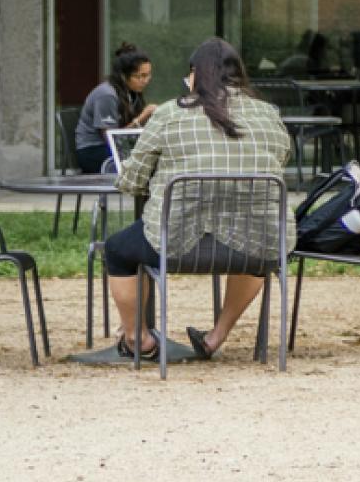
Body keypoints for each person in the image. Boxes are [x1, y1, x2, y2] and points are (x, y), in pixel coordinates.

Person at [104, 38, 293, 362]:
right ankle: (215, 337)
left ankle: (139, 339)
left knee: (118, 250)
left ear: (194, 75)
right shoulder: (268, 115)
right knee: (257, 243)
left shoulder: (169, 114)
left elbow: (132, 181)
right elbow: (280, 162)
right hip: (252, 241)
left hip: (176, 240)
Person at [73, 44, 155, 174]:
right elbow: (113, 140)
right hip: (93, 151)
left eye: (148, 75)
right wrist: (142, 117)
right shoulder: (107, 95)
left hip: (109, 148)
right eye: (140, 76)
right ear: (123, 76)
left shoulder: (130, 92)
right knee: (148, 161)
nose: (145, 81)